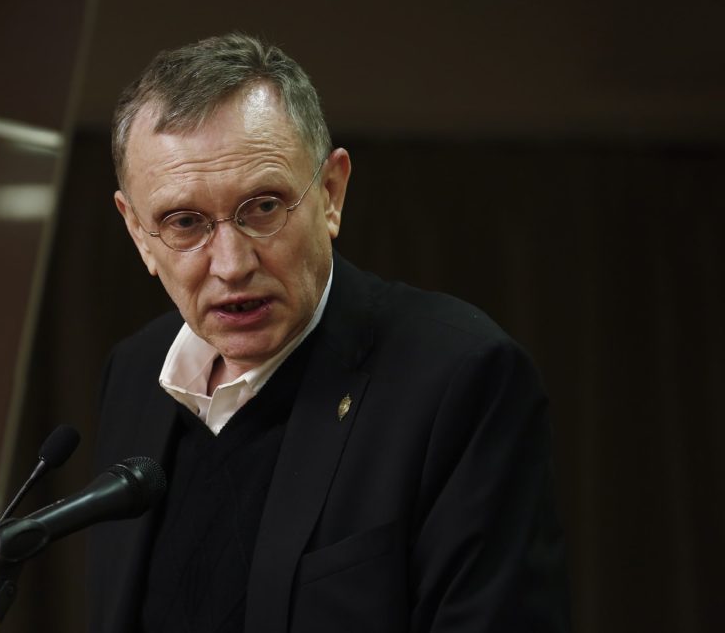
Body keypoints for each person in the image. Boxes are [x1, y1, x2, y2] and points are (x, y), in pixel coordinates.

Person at [88, 33, 569, 633]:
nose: (231, 264)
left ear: (331, 193)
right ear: (138, 233)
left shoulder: (460, 378)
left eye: (264, 207)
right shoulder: (135, 374)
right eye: (184, 222)